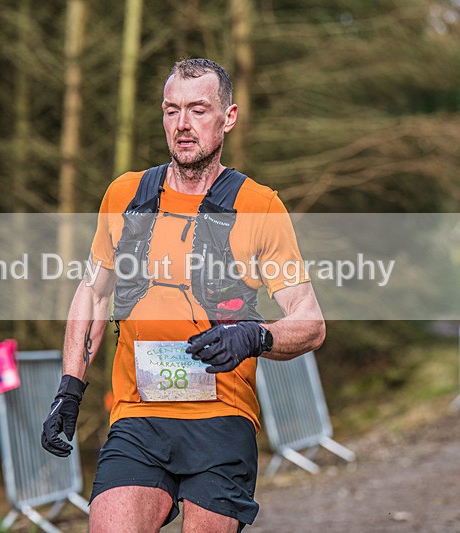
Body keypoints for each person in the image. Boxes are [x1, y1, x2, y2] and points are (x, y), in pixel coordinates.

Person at [41, 58, 325, 532]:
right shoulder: (125, 195)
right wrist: (69, 388)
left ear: (228, 117)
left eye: (198, 109)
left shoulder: (260, 206)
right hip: (138, 415)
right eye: (172, 111)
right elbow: (91, 293)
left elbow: (310, 321)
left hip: (221, 417)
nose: (183, 125)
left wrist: (255, 337)